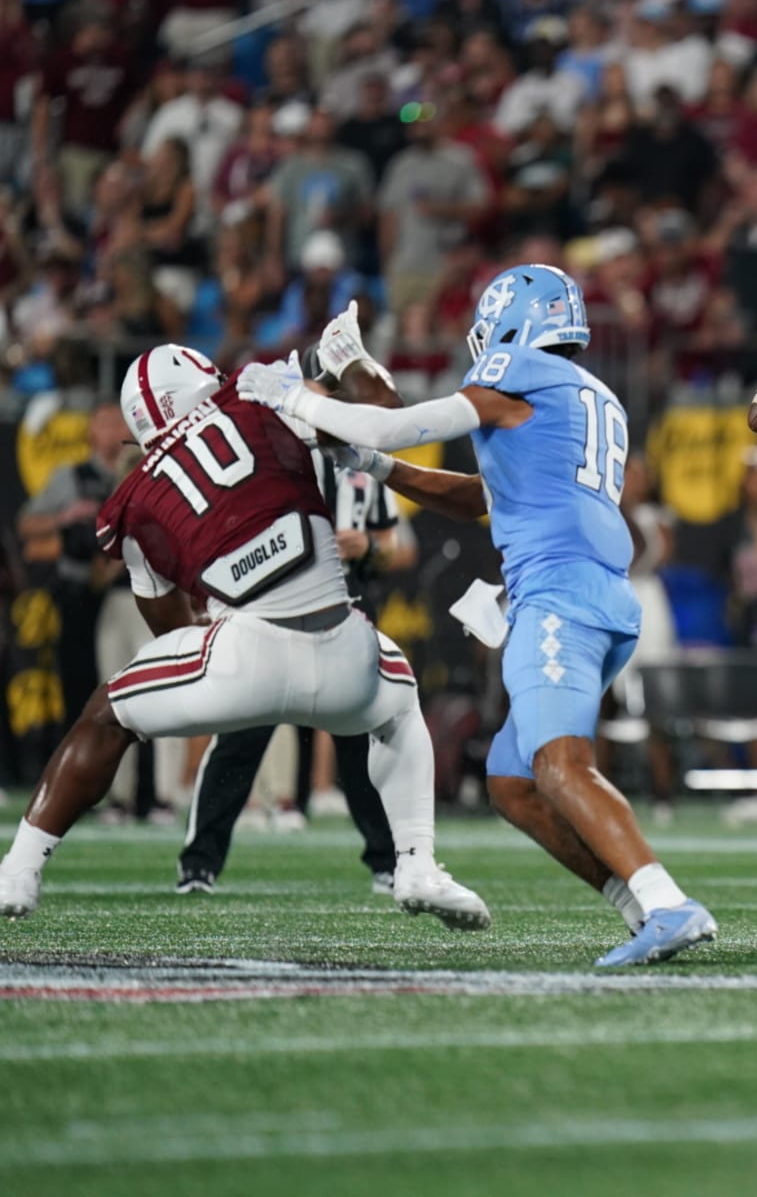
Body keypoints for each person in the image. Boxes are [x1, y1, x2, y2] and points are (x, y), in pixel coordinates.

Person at [239, 267, 716, 967]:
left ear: (515, 325)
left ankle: (669, 903)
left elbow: (398, 422)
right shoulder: (587, 396)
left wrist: (297, 398)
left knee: (558, 765)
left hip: (558, 593)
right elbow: (481, 498)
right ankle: (641, 906)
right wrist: (380, 465)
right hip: (593, 593)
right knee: (514, 782)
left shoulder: (520, 369)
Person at [0, 346, 488, 930]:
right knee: (400, 695)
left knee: (107, 714)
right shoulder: (262, 401)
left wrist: (210, 660)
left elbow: (168, 625)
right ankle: (417, 863)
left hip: (241, 660)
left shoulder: (130, 501)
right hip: (345, 652)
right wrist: (346, 362)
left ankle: (18, 872)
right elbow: (383, 412)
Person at [176, 352, 413, 896]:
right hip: (271, 609)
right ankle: (199, 863)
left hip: (344, 608)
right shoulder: (265, 451)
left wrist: (368, 546)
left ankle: (387, 860)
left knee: (362, 741)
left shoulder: (360, 458)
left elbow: (393, 545)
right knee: (241, 737)